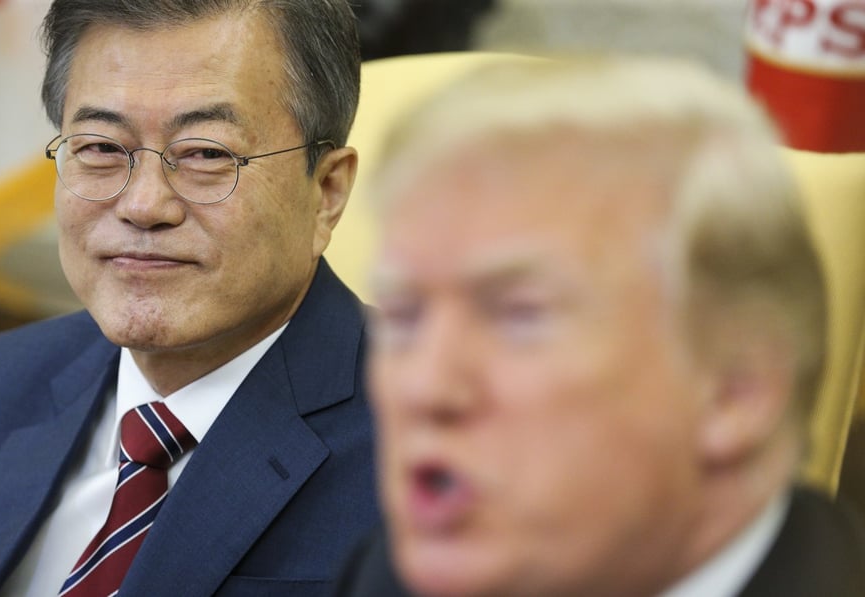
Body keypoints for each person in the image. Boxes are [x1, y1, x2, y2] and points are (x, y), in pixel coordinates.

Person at [0, 1, 378, 595]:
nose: (142, 205)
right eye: (102, 148)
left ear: (327, 192)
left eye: (207, 153)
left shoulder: (452, 448)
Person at [337, 58, 865, 596]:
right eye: (403, 316)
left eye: (520, 316)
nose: (423, 387)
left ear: (736, 391)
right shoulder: (394, 577)